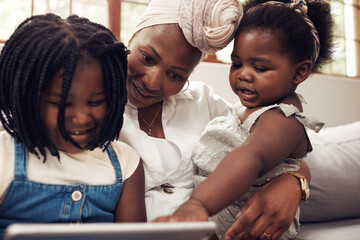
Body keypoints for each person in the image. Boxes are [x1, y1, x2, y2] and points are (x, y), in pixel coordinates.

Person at [119, 0, 315, 238]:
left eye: (175, 75)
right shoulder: (95, 107)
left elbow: (276, 156)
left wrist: (295, 184)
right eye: (147, 58)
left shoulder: (204, 102)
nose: (152, 81)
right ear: (132, 39)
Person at [0, 13, 146, 238]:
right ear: (27, 97)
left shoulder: (126, 163)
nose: (80, 118)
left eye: (95, 101)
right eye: (61, 103)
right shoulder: (4, 155)